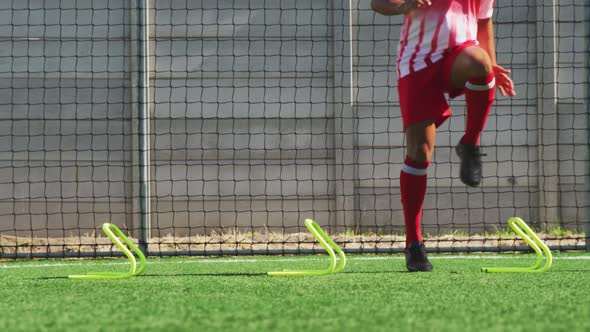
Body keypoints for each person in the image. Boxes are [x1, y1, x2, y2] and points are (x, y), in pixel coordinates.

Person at [371, 0, 516, 271]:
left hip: (460, 54)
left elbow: (484, 22)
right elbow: (378, 3)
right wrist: (405, 5)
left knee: (481, 62)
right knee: (419, 152)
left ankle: (470, 143)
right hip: (417, 61)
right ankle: (414, 244)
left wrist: (493, 66)